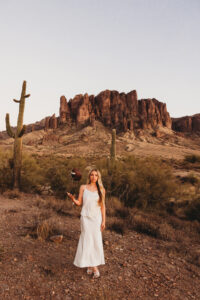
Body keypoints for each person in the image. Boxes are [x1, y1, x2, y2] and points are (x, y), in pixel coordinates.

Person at [67, 168, 106, 279]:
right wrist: (73, 199)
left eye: (96, 175)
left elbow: (103, 207)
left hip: (96, 219)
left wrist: (103, 221)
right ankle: (94, 267)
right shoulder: (83, 187)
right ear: (89, 176)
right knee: (87, 240)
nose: (94, 177)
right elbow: (79, 203)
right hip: (85, 218)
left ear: (98, 177)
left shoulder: (102, 190)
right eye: (92, 175)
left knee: (95, 241)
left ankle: (90, 265)